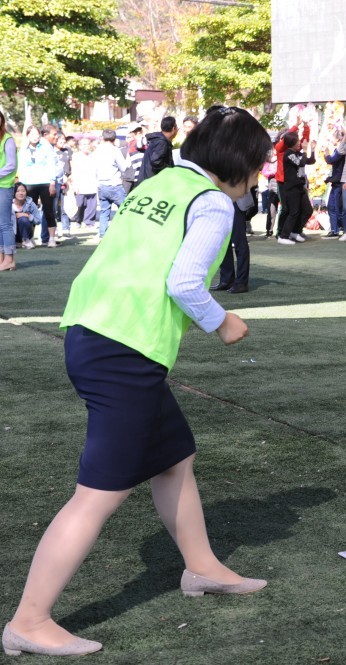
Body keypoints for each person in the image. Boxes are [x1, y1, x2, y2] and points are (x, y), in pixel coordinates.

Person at [1, 107, 273, 659]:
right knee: (97, 495)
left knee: (174, 457)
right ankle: (29, 620)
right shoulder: (212, 202)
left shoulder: (160, 182)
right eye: (258, 165)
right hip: (124, 350)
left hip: (92, 333)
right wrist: (223, 322)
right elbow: (184, 283)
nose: (259, 177)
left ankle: (202, 567)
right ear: (240, 162)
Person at [17, 125, 60, 248]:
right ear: (27, 135)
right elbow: (21, 167)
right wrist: (21, 185)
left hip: (45, 182)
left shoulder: (46, 147)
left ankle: (51, 238)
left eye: (37, 134)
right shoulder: (23, 149)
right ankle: (30, 238)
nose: (35, 137)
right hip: (29, 184)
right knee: (30, 211)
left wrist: (52, 182)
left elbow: (51, 164)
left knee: (49, 211)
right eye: (32, 134)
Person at [276, 131, 315, 245]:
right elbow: (300, 163)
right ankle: (283, 236)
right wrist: (305, 150)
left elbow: (310, 161)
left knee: (308, 210)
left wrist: (312, 150)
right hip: (291, 187)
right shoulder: (288, 154)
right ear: (291, 142)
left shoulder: (297, 153)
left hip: (300, 187)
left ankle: (295, 231)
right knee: (294, 212)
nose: (299, 142)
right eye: (297, 141)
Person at [93, 129, 129, 238]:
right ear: (114, 138)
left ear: (103, 137)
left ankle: (102, 235)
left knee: (104, 212)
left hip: (102, 185)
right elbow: (123, 167)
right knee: (125, 210)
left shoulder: (97, 150)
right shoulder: (115, 150)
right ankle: (124, 233)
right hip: (115, 185)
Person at [0, 110, 17, 271]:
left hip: (4, 186)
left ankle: (9, 259)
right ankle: (1, 258)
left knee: (5, 223)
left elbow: (11, 165)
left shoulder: (8, 139)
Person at [137, 116, 178, 184]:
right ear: (173, 128)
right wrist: (169, 170)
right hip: (152, 183)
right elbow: (156, 161)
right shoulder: (161, 142)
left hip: (149, 181)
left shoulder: (159, 140)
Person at [70, 138, 99, 229]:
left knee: (91, 205)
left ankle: (89, 222)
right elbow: (74, 171)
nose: (86, 146)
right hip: (80, 184)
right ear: (79, 146)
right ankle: (78, 220)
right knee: (79, 204)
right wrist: (75, 184)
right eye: (83, 144)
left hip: (92, 183)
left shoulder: (94, 156)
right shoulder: (76, 156)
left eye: (87, 144)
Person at [11, 182, 43, 253]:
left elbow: (38, 220)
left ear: (26, 192)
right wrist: (14, 216)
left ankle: (26, 240)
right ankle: (14, 242)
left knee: (23, 219)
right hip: (11, 233)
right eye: (18, 191)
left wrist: (28, 215)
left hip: (27, 231)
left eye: (23, 191)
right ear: (14, 193)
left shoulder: (31, 204)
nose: (21, 193)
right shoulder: (9, 204)